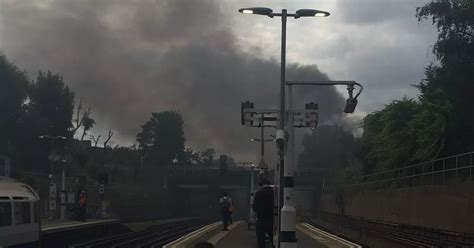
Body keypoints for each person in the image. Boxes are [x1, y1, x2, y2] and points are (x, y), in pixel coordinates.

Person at [253, 178, 274, 248]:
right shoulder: (274, 192)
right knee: (274, 240)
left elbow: (254, 207)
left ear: (261, 185)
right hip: (272, 219)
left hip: (261, 219)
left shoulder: (259, 193)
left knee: (261, 241)